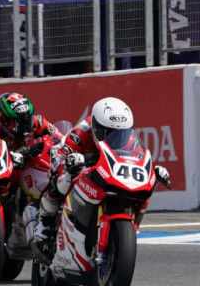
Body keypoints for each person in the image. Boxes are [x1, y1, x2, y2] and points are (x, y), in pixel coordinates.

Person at [32, 96, 170, 257]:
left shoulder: (127, 137)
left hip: (104, 169)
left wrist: (153, 169)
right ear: (96, 127)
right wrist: (70, 160)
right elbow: (61, 152)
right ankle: (44, 225)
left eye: (120, 133)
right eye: (109, 133)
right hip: (76, 161)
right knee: (62, 178)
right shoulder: (81, 133)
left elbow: (135, 158)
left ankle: (127, 228)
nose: (116, 137)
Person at [0, 92, 64, 164]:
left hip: (32, 163)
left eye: (28, 120)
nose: (25, 126)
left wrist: (43, 145)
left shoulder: (38, 121)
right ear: (5, 121)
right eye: (19, 122)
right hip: (10, 168)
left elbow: (59, 138)